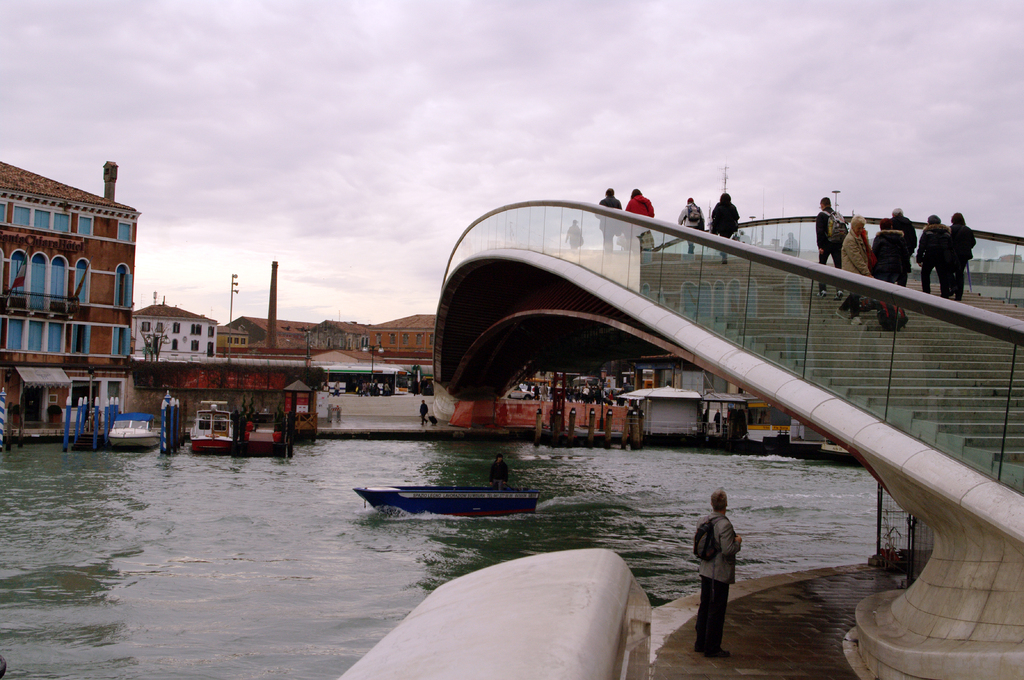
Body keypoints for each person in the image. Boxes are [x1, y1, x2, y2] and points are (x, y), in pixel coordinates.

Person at [694, 488, 742, 658]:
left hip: (705, 570)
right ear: (726, 504)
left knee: (705, 606)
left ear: (711, 504)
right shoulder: (725, 525)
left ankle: (700, 643)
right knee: (717, 610)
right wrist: (738, 542)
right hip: (719, 573)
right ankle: (712, 647)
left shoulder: (702, 520)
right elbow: (728, 550)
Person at [840, 215, 874, 325]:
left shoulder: (859, 237)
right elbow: (857, 259)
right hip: (852, 271)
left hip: (856, 270)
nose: (861, 230)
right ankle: (854, 316)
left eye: (862, 228)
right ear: (853, 227)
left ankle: (843, 309)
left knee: (856, 292)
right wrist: (866, 273)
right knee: (855, 293)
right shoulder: (850, 240)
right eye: (859, 228)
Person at [916, 215, 958, 298]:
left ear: (929, 223)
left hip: (929, 255)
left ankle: (926, 292)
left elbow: (922, 246)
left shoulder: (927, 232)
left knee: (925, 274)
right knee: (943, 275)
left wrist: (919, 258)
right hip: (942, 256)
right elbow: (950, 246)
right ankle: (945, 294)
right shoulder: (946, 232)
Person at [815, 197, 844, 299]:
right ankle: (840, 290)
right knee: (838, 267)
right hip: (837, 245)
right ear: (830, 204)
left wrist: (820, 246)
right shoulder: (837, 215)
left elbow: (820, 232)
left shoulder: (821, 215)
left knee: (822, 267)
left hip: (826, 245)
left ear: (822, 205)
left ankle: (823, 290)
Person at [872, 217, 910, 285]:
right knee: (890, 286)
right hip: (896, 269)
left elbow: (874, 253)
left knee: (880, 289)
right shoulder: (899, 238)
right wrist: (907, 267)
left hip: (881, 268)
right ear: (891, 226)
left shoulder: (879, 238)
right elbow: (905, 254)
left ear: (881, 227)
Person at [950, 212, 976, 301]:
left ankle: (953, 286)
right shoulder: (968, 230)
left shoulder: (950, 229)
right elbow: (973, 242)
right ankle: (959, 296)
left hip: (953, 254)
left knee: (948, 271)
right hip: (964, 255)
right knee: (960, 274)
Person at [710, 193, 739, 263]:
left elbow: (715, 218)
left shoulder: (719, 208)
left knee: (723, 242)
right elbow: (737, 217)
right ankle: (724, 254)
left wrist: (713, 229)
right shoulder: (732, 207)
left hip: (722, 228)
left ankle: (723, 255)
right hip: (731, 228)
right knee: (726, 241)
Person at [891, 208, 917, 287]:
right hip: (907, 249)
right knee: (904, 270)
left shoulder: (892, 222)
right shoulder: (909, 224)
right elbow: (913, 238)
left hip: (894, 250)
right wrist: (911, 249)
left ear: (893, 215)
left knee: (893, 269)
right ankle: (901, 288)